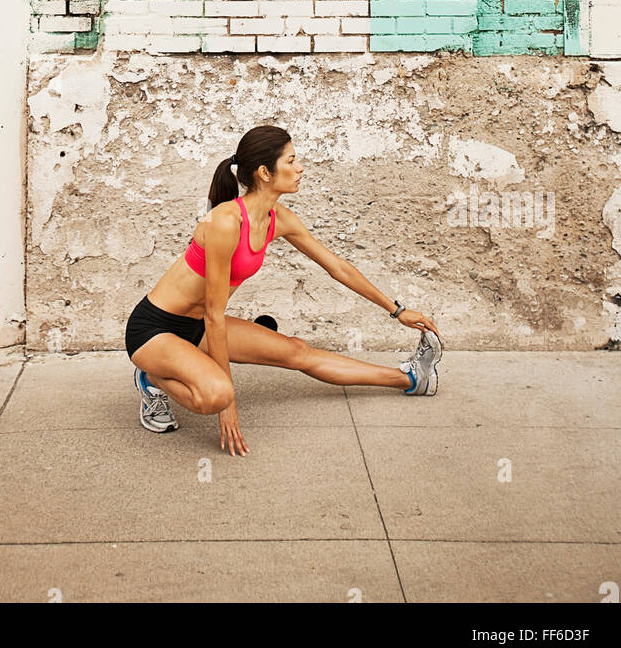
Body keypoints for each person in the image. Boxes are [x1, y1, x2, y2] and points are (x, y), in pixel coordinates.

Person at [123, 125, 443, 456]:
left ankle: (410, 378)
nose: (300, 167)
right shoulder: (225, 222)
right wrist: (228, 405)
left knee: (296, 351)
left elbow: (337, 267)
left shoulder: (279, 218)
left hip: (198, 327)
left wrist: (398, 311)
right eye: (291, 161)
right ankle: (152, 376)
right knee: (217, 394)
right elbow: (214, 314)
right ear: (265, 172)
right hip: (155, 329)